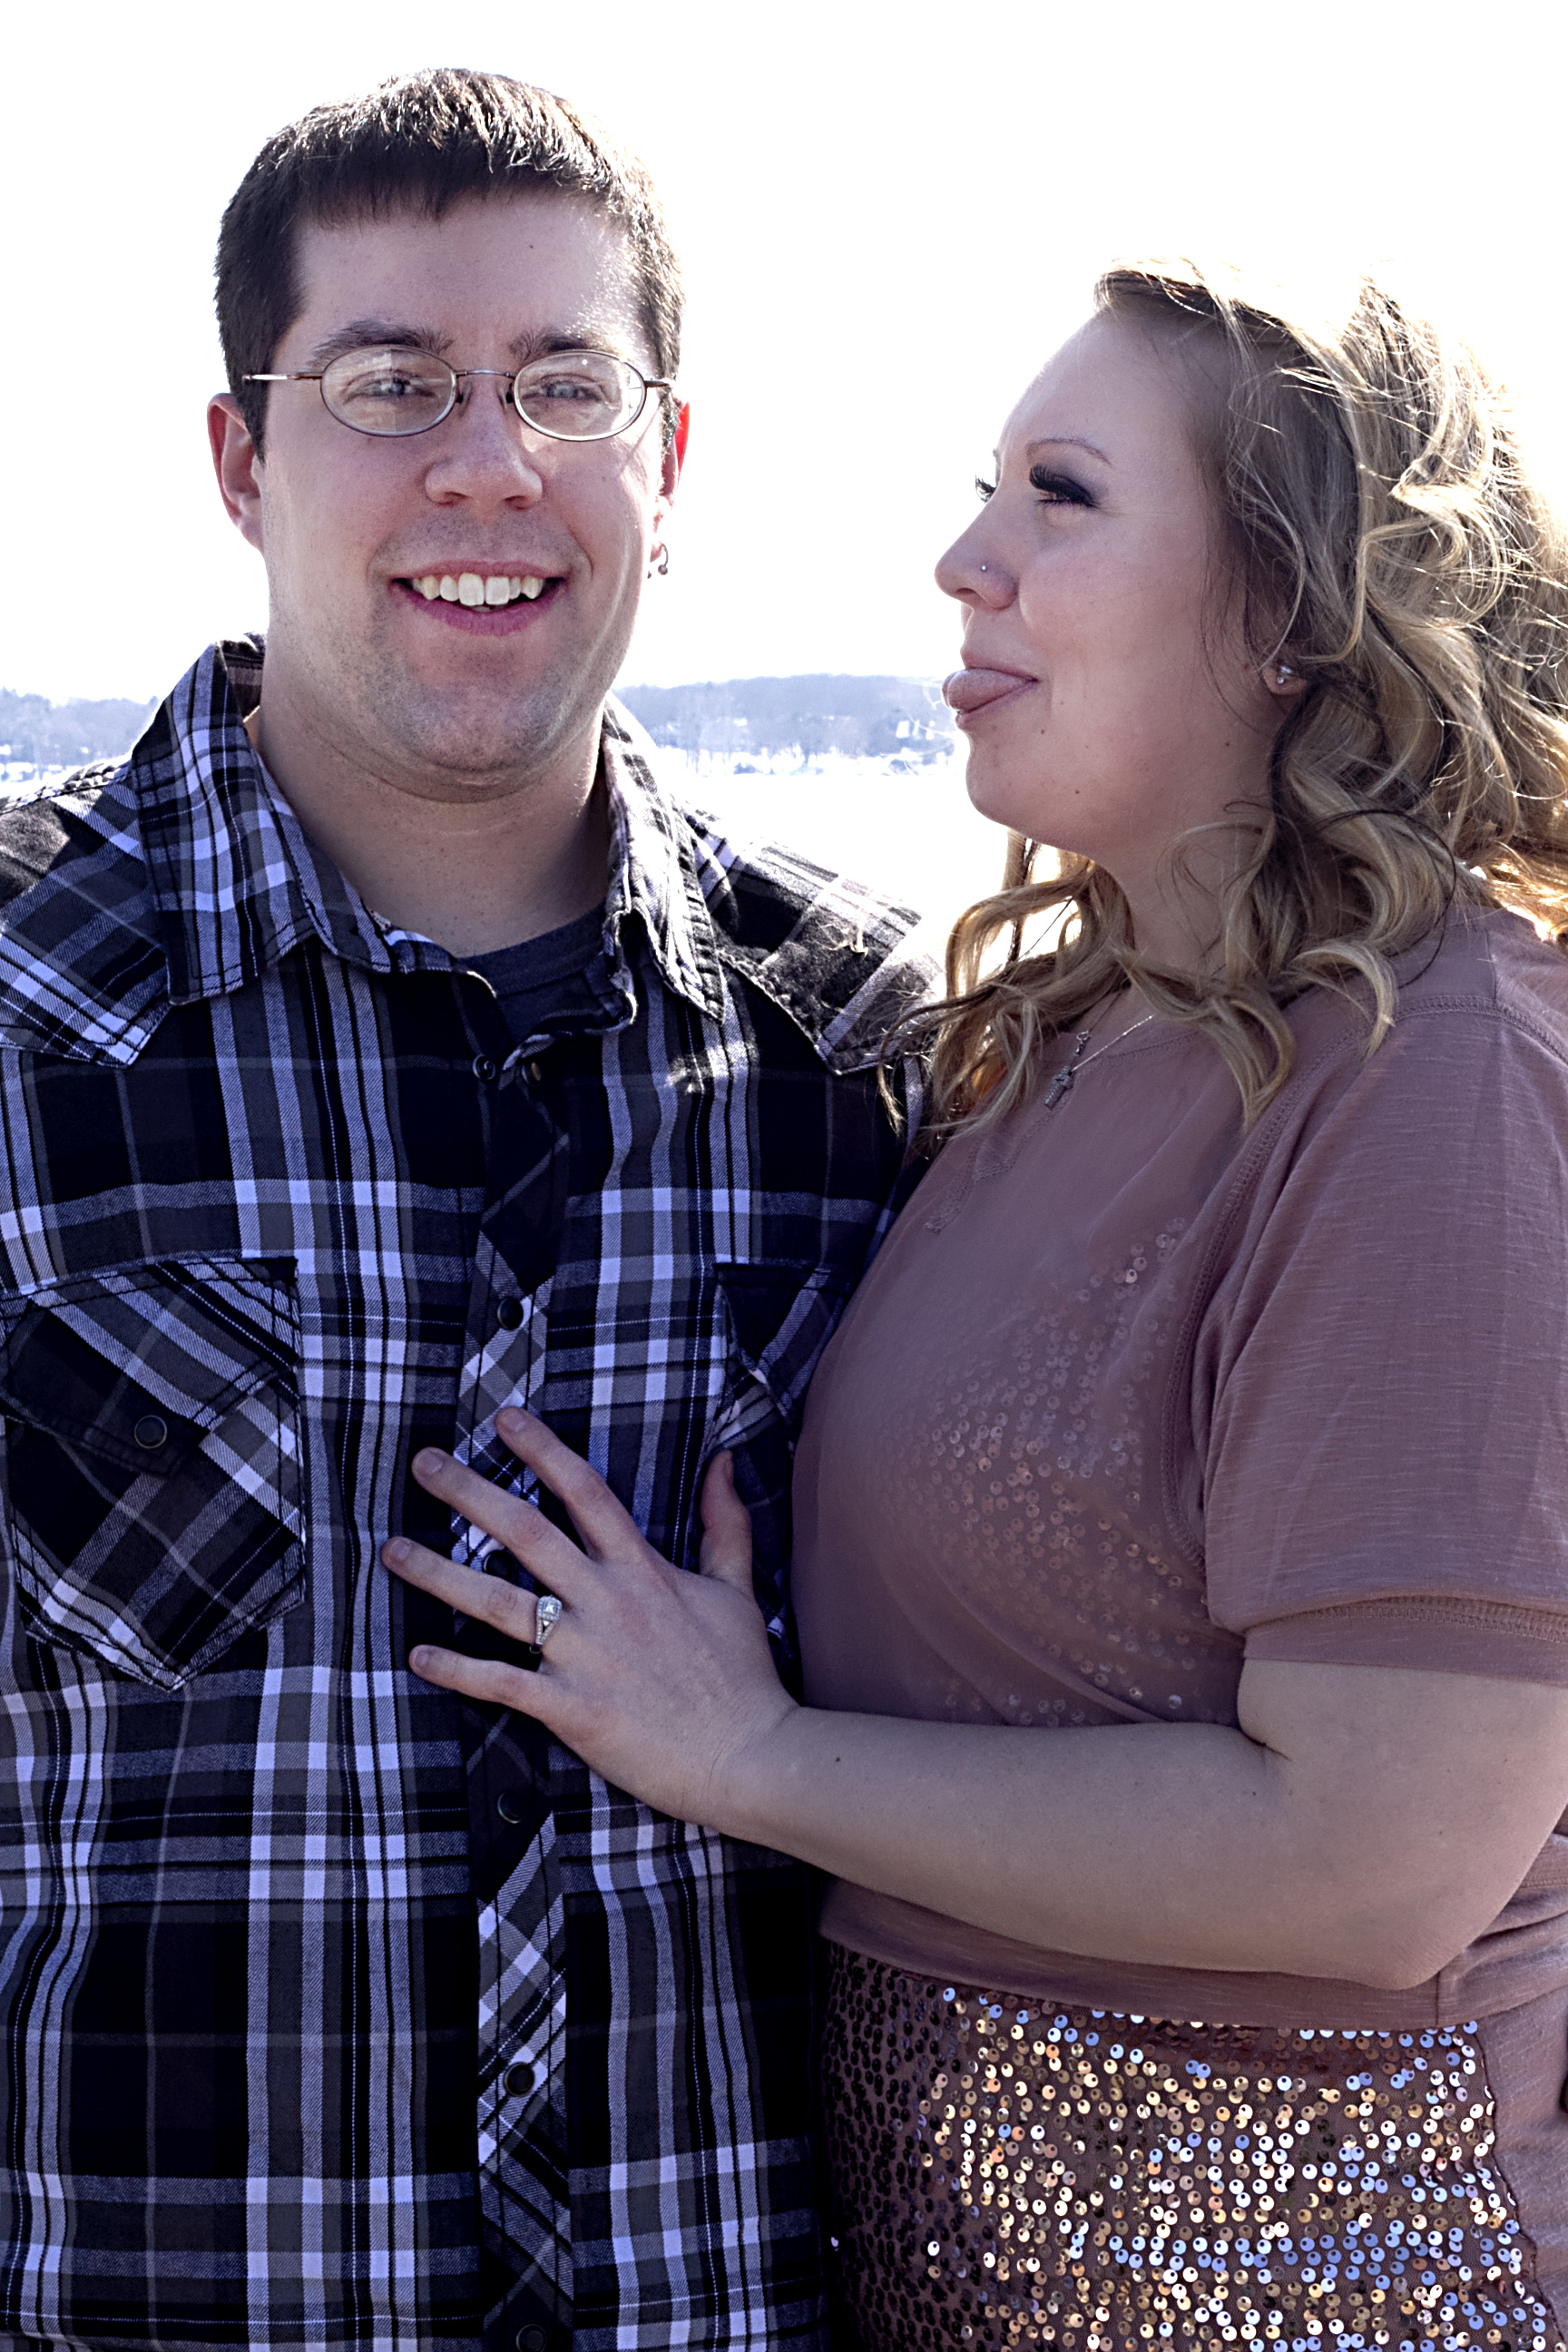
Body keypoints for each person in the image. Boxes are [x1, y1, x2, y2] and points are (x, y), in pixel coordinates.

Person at [383, 260, 1568, 2352]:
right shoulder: (1064, 1040)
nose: (965, 560)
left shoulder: (1442, 1066)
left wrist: (751, 1757)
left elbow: (1381, 1863)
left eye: (1064, 495)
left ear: (1296, 611)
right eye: (986, 488)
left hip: (1320, 2294)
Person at [0, 67, 929, 2352]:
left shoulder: (875, 1050)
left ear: (668, 460)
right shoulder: (21, 1003)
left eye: (564, 385)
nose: (490, 462)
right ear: (243, 462)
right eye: (392, 384)